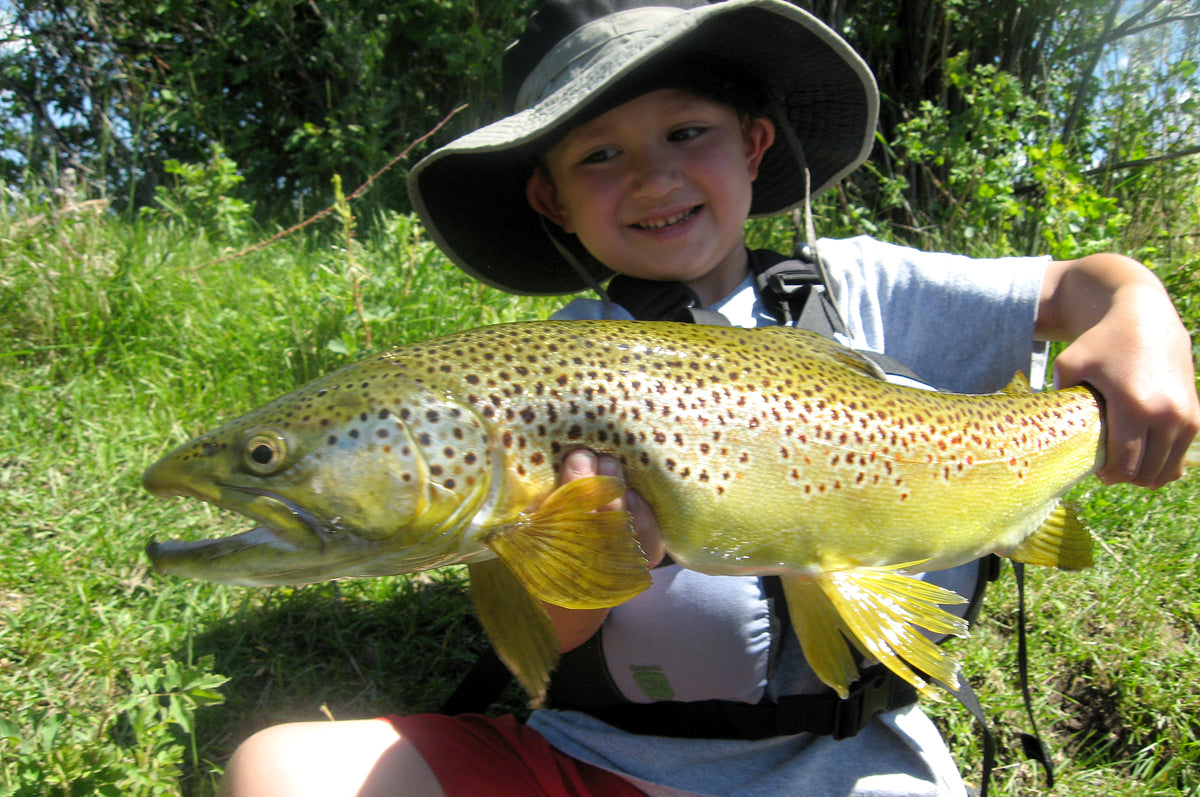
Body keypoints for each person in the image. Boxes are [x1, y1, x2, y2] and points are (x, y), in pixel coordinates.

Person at [217, 1, 1200, 795]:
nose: (653, 176)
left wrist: (1142, 312)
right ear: (551, 198)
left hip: (853, 765)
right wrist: (595, 558)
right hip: (602, 763)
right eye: (599, 154)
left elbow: (1083, 284)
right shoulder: (546, 371)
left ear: (756, 145)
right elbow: (549, 641)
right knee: (281, 768)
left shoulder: (866, 285)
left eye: (688, 132)